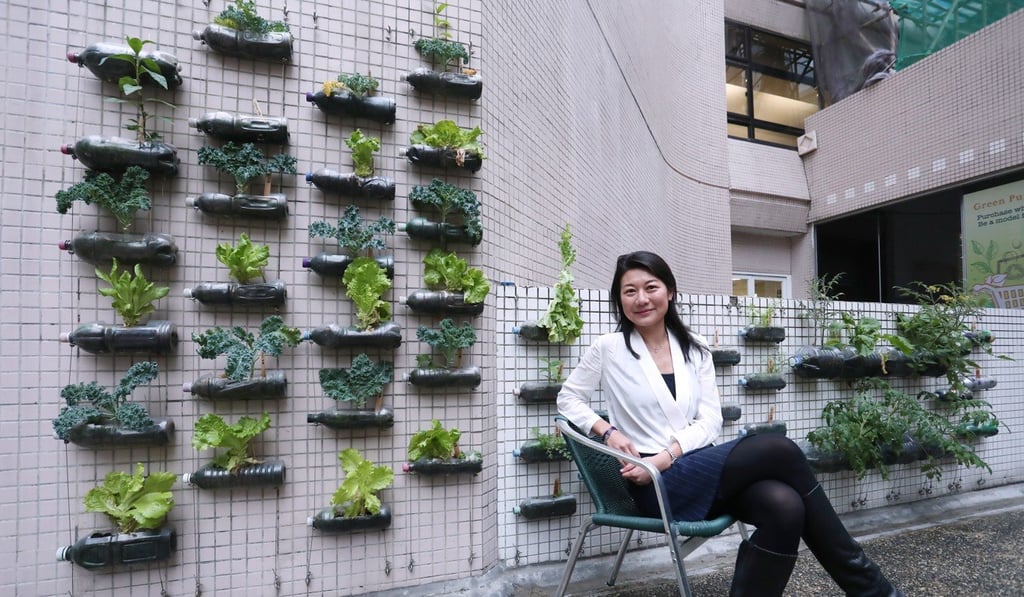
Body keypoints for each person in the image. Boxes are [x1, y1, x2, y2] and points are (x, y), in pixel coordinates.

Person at [557, 251, 903, 597]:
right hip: (653, 486)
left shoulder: (694, 348)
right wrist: (608, 431)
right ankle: (872, 590)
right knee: (779, 449)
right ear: (619, 299)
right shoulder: (609, 348)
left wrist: (666, 456)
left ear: (670, 291)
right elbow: (568, 399)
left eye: (651, 287)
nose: (642, 299)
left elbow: (710, 422)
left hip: (682, 465)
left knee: (785, 507)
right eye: (629, 291)